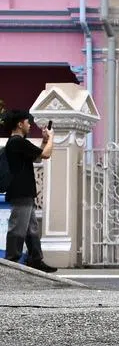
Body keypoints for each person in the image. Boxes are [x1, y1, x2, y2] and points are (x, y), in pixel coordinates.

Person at [2, 109, 56, 273]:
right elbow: (46, 155)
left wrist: (44, 140)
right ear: (20, 124)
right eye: (27, 122)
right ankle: (11, 261)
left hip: (25, 192)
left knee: (31, 228)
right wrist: (52, 138)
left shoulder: (18, 143)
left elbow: (37, 156)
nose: (29, 125)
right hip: (21, 191)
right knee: (18, 227)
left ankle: (35, 260)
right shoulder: (16, 142)